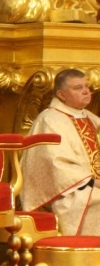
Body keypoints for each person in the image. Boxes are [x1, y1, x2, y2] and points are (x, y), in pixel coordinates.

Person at [21, 68, 100, 235]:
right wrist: (93, 182)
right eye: (78, 88)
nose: (86, 91)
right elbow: (55, 164)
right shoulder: (50, 120)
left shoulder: (89, 117)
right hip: (68, 191)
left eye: (87, 86)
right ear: (61, 94)